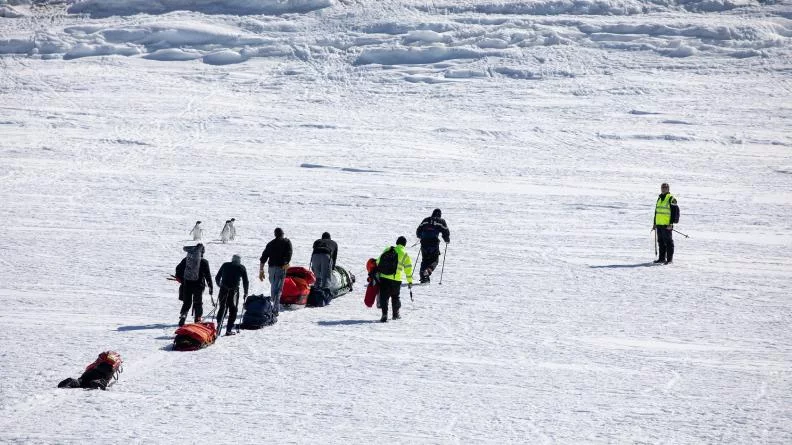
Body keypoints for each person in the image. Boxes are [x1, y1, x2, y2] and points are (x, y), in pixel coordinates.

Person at [377, 236, 413, 323]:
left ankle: (384, 315)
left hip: (384, 277)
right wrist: (410, 281)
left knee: (384, 297)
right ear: (404, 244)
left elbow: (378, 261)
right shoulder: (405, 253)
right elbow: (408, 269)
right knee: (395, 297)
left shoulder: (388, 249)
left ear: (397, 242)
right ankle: (395, 314)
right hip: (396, 279)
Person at [175, 244, 213, 326]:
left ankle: (183, 315)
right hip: (199, 285)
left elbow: (178, 269)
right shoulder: (204, 262)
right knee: (198, 302)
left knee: (187, 302)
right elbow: (208, 275)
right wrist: (210, 287)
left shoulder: (187, 259)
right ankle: (198, 318)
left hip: (187, 283)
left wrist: (182, 280)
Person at [259, 227, 292, 314]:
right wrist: (286, 262)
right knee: (278, 289)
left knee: (273, 287)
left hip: (271, 269)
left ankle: (273, 306)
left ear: (275, 234)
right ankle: (275, 310)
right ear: (282, 234)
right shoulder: (287, 242)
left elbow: (263, 257)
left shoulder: (270, 243)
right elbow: (289, 253)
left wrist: (261, 270)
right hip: (281, 268)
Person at [214, 254, 249, 336]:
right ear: (239, 261)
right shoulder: (241, 267)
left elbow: (217, 278)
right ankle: (228, 330)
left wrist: (220, 285)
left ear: (232, 259)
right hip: (234, 292)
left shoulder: (225, 265)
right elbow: (245, 281)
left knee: (222, 308)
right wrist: (245, 292)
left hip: (223, 290)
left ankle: (219, 325)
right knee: (233, 310)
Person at [415, 208, 450, 283]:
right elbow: (445, 231)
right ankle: (427, 271)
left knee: (425, 260)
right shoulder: (441, 221)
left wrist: (421, 236)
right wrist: (447, 240)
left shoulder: (425, 220)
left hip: (424, 243)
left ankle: (423, 276)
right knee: (435, 260)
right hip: (433, 243)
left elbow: (418, 231)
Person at [652, 183, 679, 264]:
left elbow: (674, 212)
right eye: (662, 187)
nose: (663, 189)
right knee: (660, 242)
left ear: (668, 189)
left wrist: (671, 223)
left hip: (667, 225)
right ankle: (661, 258)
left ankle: (669, 260)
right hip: (659, 224)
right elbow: (657, 212)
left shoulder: (671, 198)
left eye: (665, 187)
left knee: (668, 242)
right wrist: (654, 223)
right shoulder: (659, 198)